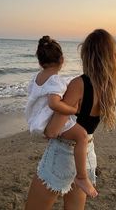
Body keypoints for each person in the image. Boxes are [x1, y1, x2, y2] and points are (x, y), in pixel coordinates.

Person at [25, 29, 116, 210]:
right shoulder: (109, 86)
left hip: (63, 154)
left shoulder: (79, 84)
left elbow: (53, 130)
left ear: (86, 53)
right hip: (86, 155)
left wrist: (42, 128)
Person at [24, 35, 98, 197]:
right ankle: (81, 176)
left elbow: (37, 98)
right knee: (82, 137)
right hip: (51, 121)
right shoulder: (56, 80)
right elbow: (54, 104)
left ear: (39, 61)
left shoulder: (36, 78)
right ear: (62, 60)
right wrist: (72, 110)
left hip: (38, 120)